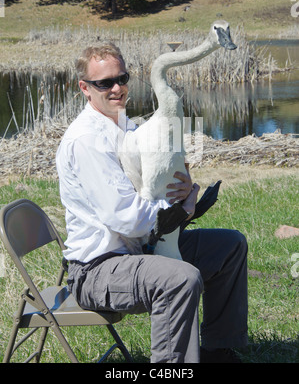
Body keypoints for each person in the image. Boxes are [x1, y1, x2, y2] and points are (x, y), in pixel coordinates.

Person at [56, 43, 248, 363]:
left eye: (122, 78)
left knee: (229, 246)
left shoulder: (123, 124)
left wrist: (183, 188)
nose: (117, 88)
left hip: (138, 251)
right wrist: (174, 212)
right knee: (179, 278)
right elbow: (125, 217)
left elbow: (153, 182)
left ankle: (217, 351)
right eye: (105, 83)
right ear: (85, 89)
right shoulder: (87, 141)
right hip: (96, 270)